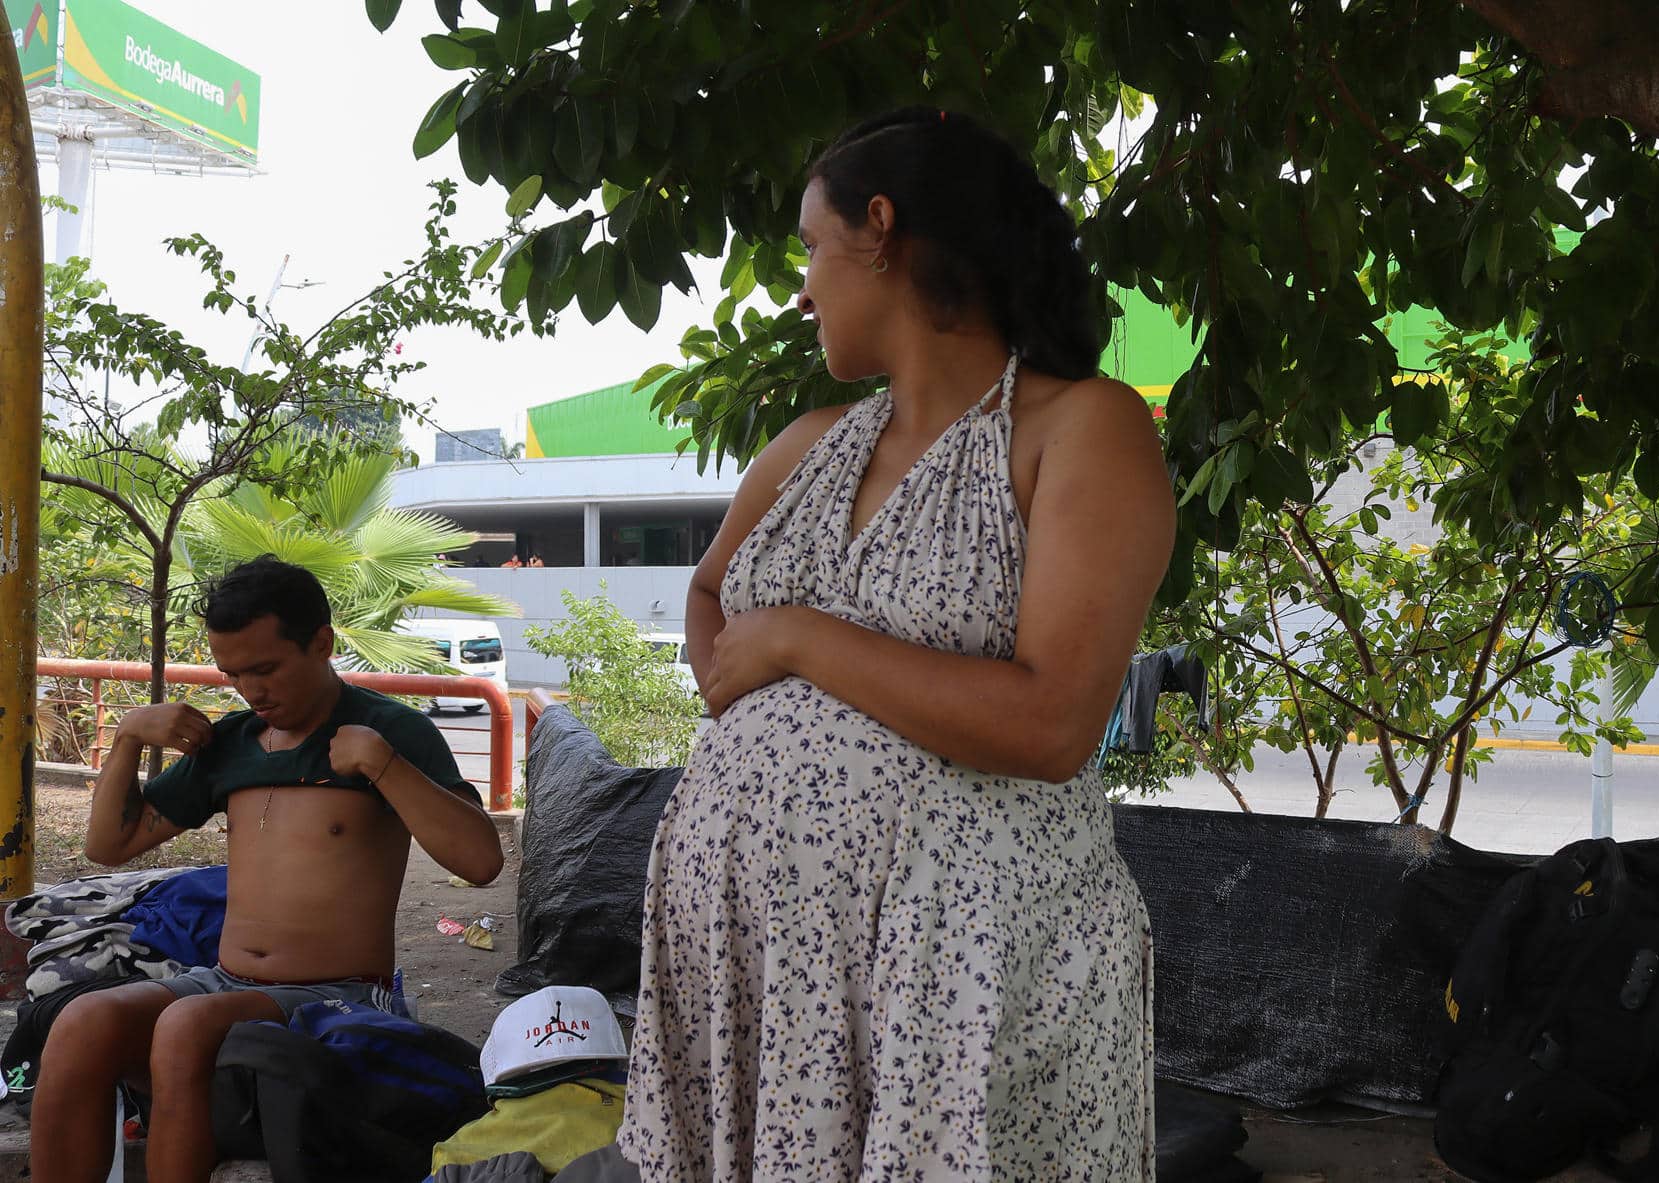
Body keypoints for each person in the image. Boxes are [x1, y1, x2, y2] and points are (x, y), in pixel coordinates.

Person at [617, 108, 1174, 1179]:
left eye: (811, 249)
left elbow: (1054, 723)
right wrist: (738, 693)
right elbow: (706, 592)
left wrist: (794, 643)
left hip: (959, 977)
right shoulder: (809, 444)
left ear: (881, 230)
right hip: (766, 975)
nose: (801, 286)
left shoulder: (1080, 428)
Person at [31, 557, 505, 1183]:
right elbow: (109, 846)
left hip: (337, 995)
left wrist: (384, 766)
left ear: (321, 644)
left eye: (265, 669)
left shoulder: (389, 732)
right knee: (81, 1022)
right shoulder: (230, 744)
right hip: (224, 982)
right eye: (233, 674)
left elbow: (481, 863)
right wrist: (126, 739)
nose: (250, 691)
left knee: (184, 1026)